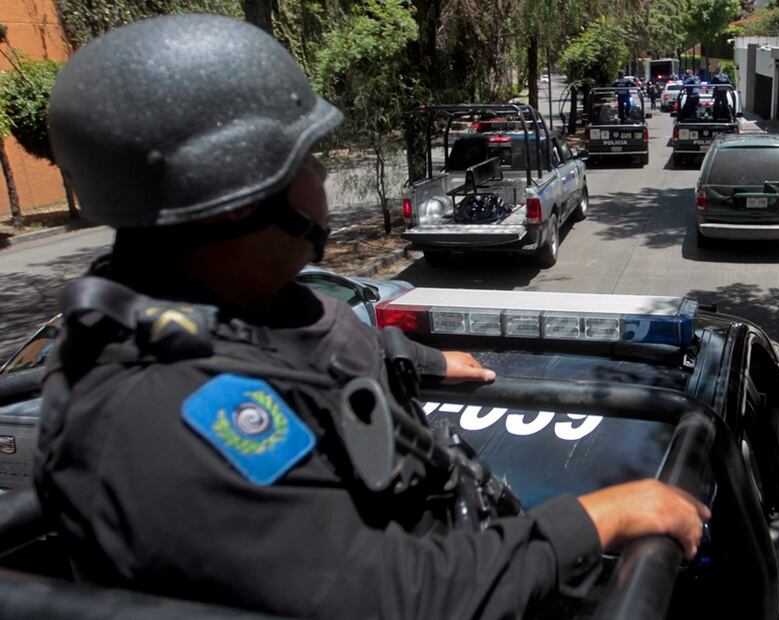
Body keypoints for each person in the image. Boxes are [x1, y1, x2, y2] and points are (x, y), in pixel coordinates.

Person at [35, 14, 710, 620]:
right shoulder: (164, 419)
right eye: (307, 159)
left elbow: (307, 348)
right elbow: (386, 596)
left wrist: (421, 359)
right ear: (243, 195)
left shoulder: (230, 309)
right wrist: (595, 518)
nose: (322, 179)